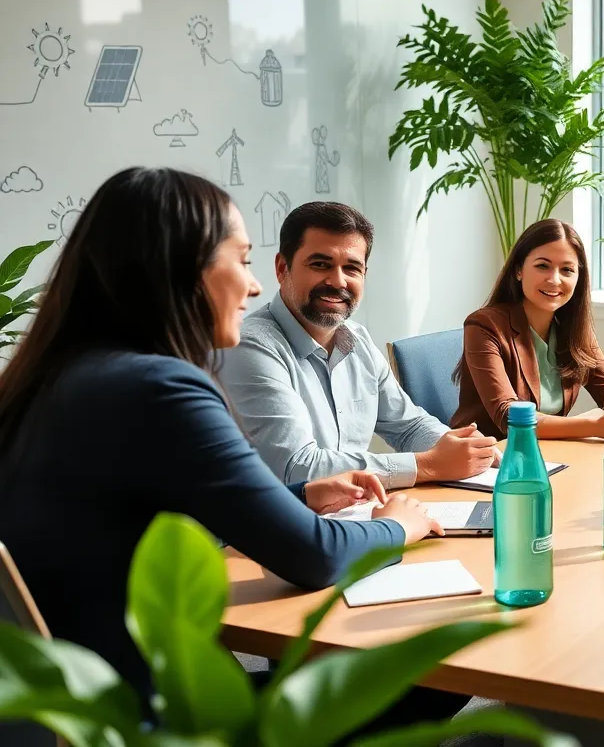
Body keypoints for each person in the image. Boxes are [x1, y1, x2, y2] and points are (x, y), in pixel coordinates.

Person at [0, 168, 445, 708]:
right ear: (183, 269)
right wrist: (399, 526)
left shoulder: (57, 373)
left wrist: (298, 496)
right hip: (147, 712)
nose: (253, 286)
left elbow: (145, 515)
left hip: (65, 698)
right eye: (242, 260)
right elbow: (313, 557)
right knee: (434, 677)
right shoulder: (162, 387)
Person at [219, 202, 496, 489]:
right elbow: (296, 469)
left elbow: (409, 425)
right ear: (281, 268)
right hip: (284, 526)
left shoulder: (357, 339)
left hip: (352, 512)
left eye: (351, 268)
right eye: (320, 264)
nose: (337, 280)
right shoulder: (251, 347)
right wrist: (426, 465)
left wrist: (469, 450)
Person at [453, 218, 604, 440]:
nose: (554, 279)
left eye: (567, 270)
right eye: (543, 266)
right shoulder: (484, 326)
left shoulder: (572, 329)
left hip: (549, 452)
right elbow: (510, 417)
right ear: (518, 270)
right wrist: (594, 426)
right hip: (489, 458)